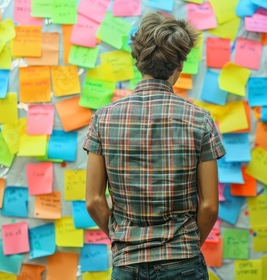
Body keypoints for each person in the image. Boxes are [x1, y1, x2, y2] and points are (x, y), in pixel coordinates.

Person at [83, 12, 226, 280]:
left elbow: (93, 201)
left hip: (128, 264)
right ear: (180, 65)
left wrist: (123, 241)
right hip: (183, 261)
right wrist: (186, 246)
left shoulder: (103, 118)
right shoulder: (200, 120)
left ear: (137, 61)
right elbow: (208, 207)